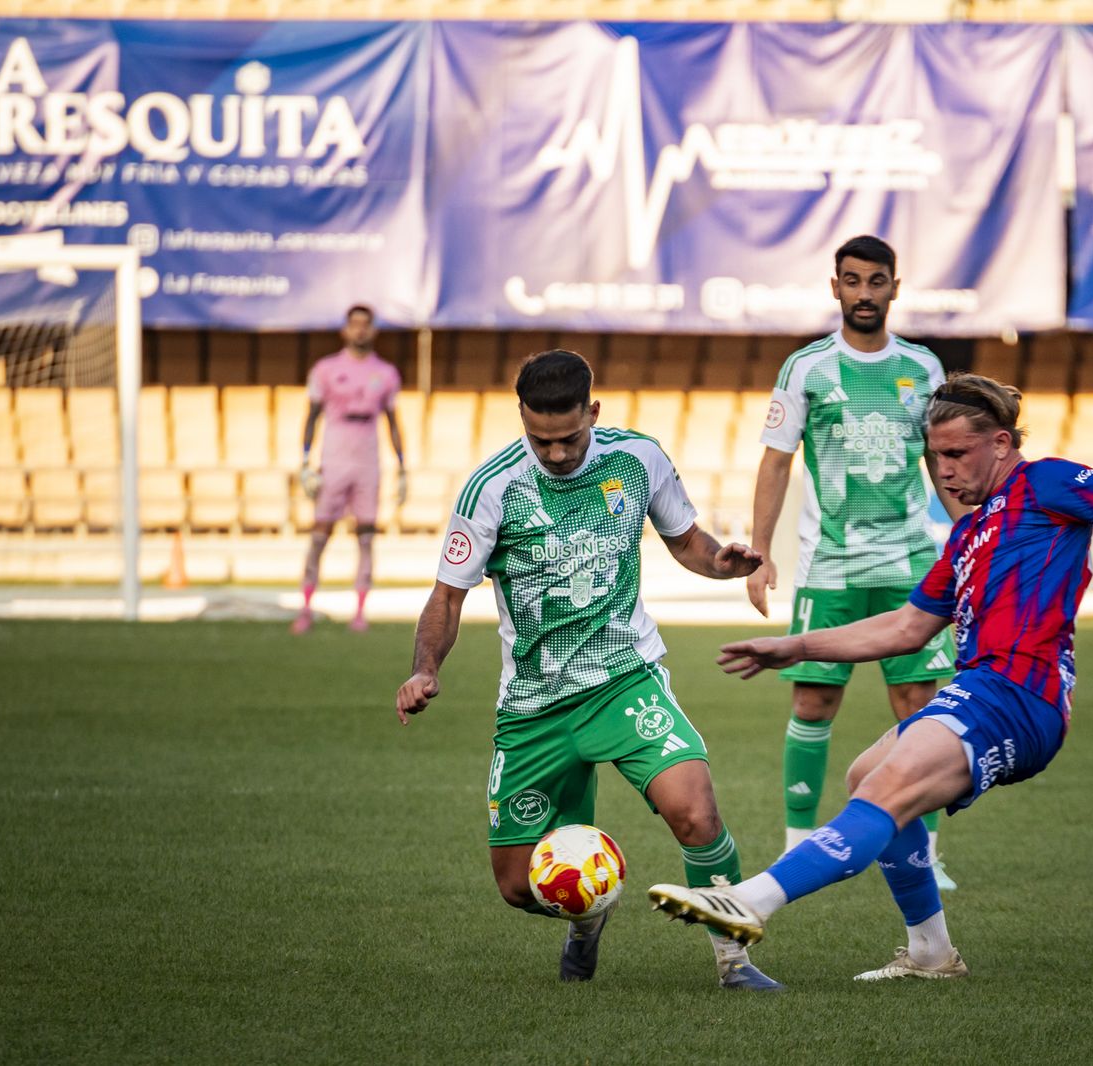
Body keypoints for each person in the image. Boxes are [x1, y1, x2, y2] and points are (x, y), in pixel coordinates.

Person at [649, 373, 1093, 981]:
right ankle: (931, 952)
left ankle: (750, 901)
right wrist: (797, 647)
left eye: (957, 454)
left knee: (888, 788)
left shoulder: (1047, 482)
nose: (945, 470)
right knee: (866, 774)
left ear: (1003, 444)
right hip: (981, 688)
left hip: (1020, 694)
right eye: (936, 457)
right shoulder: (965, 536)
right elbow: (906, 627)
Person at [394, 349, 782, 991]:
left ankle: (734, 962)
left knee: (696, 813)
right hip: (534, 706)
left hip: (624, 679)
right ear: (521, 419)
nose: (553, 453)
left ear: (592, 413)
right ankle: (586, 918)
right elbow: (448, 596)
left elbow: (687, 541)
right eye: (538, 439)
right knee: (518, 888)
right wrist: (425, 668)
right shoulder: (491, 489)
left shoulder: (638, 459)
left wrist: (724, 562)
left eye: (568, 437)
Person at [746, 234, 964, 889]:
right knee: (813, 702)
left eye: (876, 281)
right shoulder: (807, 368)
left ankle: (925, 851)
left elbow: (943, 461)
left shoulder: (925, 369)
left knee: (919, 706)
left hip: (909, 566)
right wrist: (759, 554)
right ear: (834, 286)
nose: (864, 293)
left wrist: (972, 540)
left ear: (895, 287)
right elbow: (777, 459)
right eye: (852, 280)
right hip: (830, 567)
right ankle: (797, 842)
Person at [292, 304, 405, 634]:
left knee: (367, 537)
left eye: (365, 325)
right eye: (354, 324)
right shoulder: (326, 369)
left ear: (373, 330)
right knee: (319, 536)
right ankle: (306, 606)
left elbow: (394, 422)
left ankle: (359, 611)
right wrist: (304, 461)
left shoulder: (385, 373)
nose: (359, 330)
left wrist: (402, 467)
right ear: (345, 330)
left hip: (368, 461)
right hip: (334, 459)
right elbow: (311, 415)